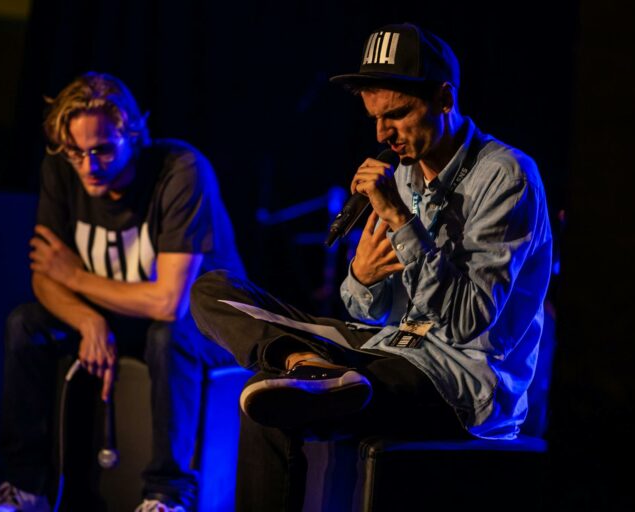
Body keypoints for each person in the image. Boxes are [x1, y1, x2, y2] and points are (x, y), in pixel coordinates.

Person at [189, 22, 553, 511]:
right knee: (213, 289)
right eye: (375, 118)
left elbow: (469, 324)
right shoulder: (401, 174)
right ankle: (306, 364)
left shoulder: (505, 175)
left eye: (398, 115)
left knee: (266, 399)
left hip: (460, 381)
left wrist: (401, 220)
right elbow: (370, 309)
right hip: (389, 348)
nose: (383, 134)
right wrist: (360, 276)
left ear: (445, 98)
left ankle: (315, 377)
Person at [0, 72, 245, 512]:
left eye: (102, 149)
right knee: (25, 325)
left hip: (209, 325)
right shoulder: (61, 170)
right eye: (75, 151)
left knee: (169, 335)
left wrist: (77, 278)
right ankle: (27, 487)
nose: (88, 166)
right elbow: (44, 277)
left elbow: (169, 301)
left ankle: (166, 495)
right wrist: (88, 319)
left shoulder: (179, 171)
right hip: (120, 315)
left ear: (132, 135)